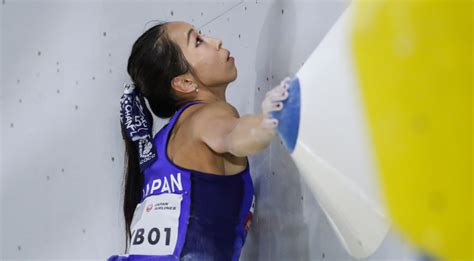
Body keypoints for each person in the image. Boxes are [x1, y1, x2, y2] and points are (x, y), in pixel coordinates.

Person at [108, 20, 291, 261]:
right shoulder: (207, 115)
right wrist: (268, 119)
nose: (216, 41)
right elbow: (234, 135)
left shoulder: (162, 143)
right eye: (198, 41)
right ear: (184, 82)